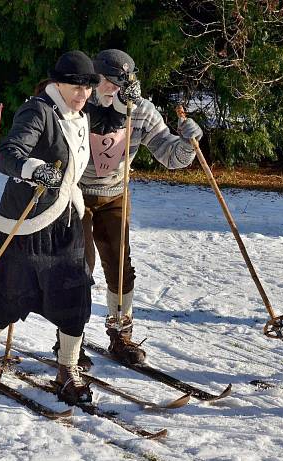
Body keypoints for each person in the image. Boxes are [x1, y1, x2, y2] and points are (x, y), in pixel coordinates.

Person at [0, 51, 101, 405]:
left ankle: (67, 369)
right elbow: (6, 154)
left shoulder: (79, 116)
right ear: (57, 82)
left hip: (67, 218)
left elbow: (115, 114)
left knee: (76, 291)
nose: (82, 92)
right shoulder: (38, 110)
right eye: (75, 85)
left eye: (88, 86)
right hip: (29, 219)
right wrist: (33, 168)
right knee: (16, 293)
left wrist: (130, 98)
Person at [57, 49, 202, 366]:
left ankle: (120, 335)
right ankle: (69, 341)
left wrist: (187, 144)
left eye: (119, 82)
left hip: (114, 195)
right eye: (105, 81)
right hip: (75, 194)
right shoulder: (79, 106)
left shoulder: (141, 111)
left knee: (121, 267)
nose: (111, 88)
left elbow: (169, 156)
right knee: (79, 267)